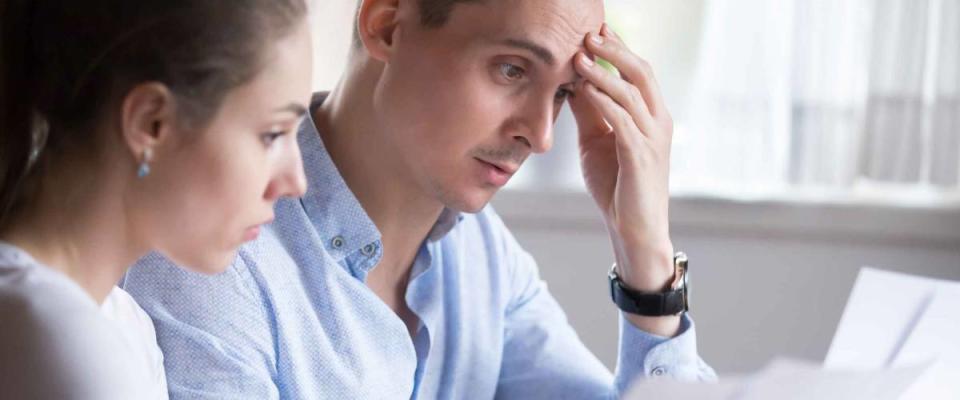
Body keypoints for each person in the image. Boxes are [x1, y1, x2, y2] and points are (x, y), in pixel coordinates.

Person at [124, 0, 716, 398]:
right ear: (385, 24)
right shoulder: (211, 254)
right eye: (511, 70)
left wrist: (647, 260)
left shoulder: (483, 257)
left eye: (563, 94)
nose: (538, 136)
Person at [0, 1, 312, 399]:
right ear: (151, 123)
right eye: (272, 134)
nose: (295, 182)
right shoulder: (53, 342)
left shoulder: (124, 324)